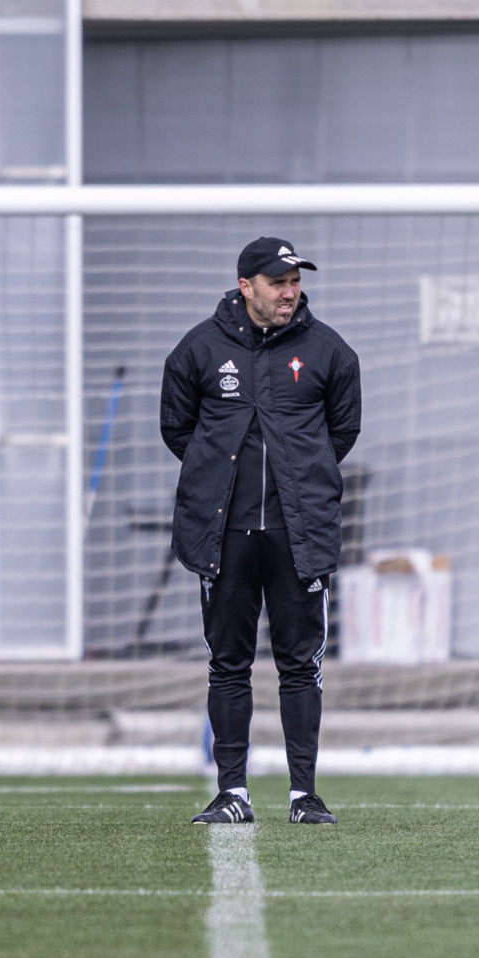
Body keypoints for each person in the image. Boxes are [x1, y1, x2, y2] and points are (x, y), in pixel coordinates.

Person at [160, 236, 362, 825]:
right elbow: (179, 432)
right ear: (246, 286)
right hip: (225, 535)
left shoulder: (329, 351)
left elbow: (340, 436)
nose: (290, 292)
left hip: (299, 536)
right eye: (278, 282)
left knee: (301, 665)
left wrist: (302, 479)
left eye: (296, 282)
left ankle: (305, 796)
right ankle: (232, 793)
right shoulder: (197, 349)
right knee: (228, 663)